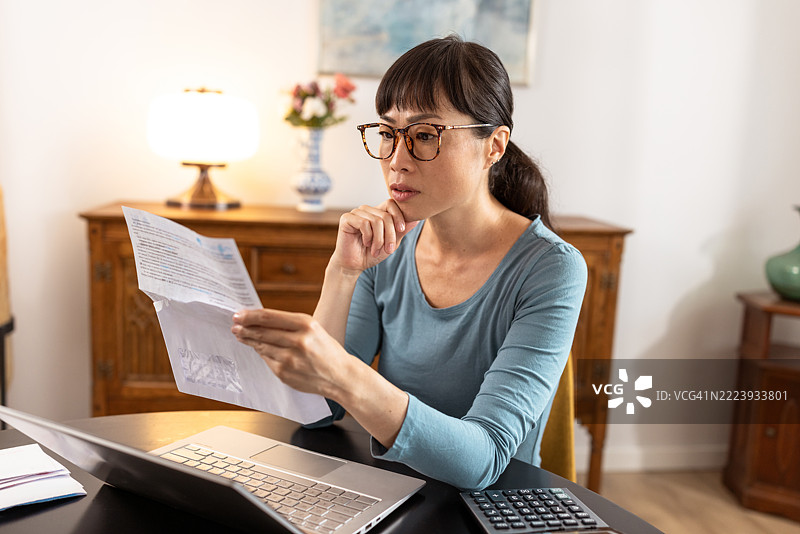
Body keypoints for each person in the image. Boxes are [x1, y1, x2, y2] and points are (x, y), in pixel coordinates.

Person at [231, 35, 587, 490]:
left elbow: (484, 459)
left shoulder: (551, 269)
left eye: (424, 135)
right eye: (387, 133)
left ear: (494, 146)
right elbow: (318, 412)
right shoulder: (383, 249)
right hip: (394, 489)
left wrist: (343, 374)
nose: (396, 161)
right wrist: (342, 274)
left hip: (491, 507)